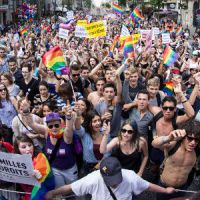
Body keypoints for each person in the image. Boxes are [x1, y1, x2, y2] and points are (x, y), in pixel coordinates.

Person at [45, 156, 175, 200]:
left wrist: (165, 191)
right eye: (110, 180)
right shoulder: (92, 179)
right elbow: (70, 187)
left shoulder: (130, 176)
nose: (114, 184)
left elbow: (148, 185)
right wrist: (53, 193)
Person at [152, 119, 200, 200]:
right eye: (190, 138)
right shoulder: (174, 145)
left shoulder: (197, 150)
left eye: (197, 139)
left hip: (181, 188)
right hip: (164, 187)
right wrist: (168, 138)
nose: (193, 142)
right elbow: (154, 144)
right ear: (183, 137)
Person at [14, 135, 55, 200]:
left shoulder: (40, 157)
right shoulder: (16, 162)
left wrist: (38, 176)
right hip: (26, 193)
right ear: (18, 150)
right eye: (24, 147)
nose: (28, 149)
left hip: (42, 189)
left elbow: (40, 181)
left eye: (30, 145)